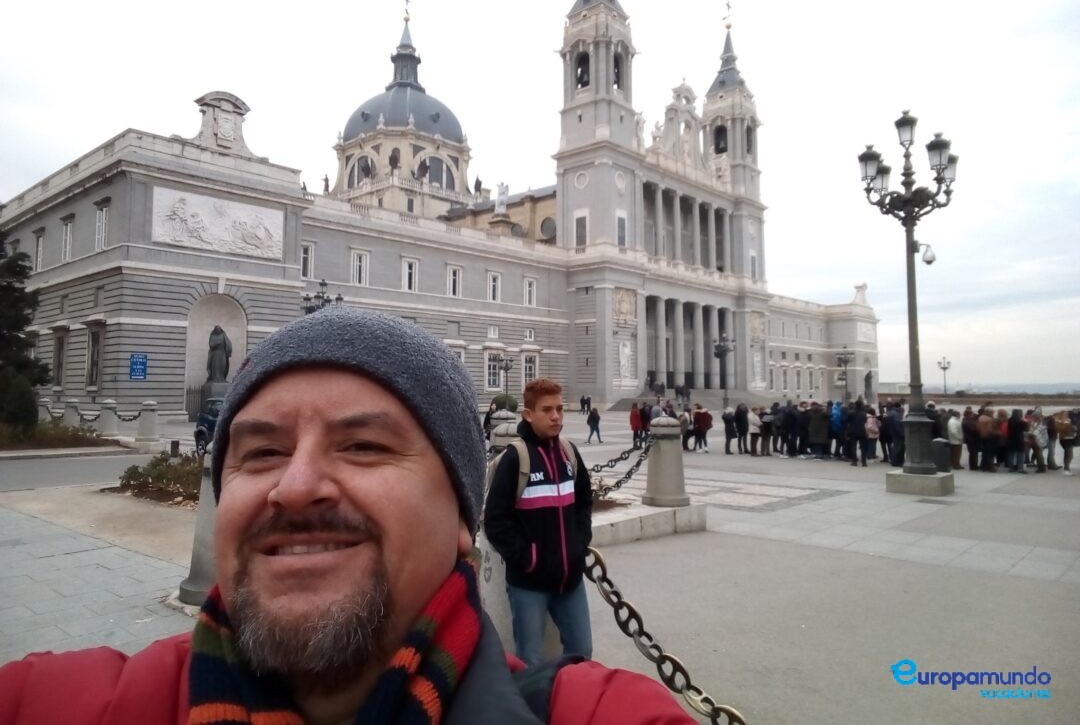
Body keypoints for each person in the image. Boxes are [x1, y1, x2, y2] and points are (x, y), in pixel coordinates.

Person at [2, 309, 694, 723]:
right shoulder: (64, 703)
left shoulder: (591, 713)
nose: (296, 487)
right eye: (263, 451)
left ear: (463, 516)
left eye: (363, 446)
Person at [484, 378, 594, 669]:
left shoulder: (569, 453)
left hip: (570, 581)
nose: (556, 416)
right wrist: (529, 559)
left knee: (582, 653)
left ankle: (571, 698)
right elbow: (495, 521)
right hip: (529, 585)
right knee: (530, 662)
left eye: (559, 408)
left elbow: (584, 501)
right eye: (547, 410)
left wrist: (579, 543)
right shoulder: (515, 458)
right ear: (528, 414)